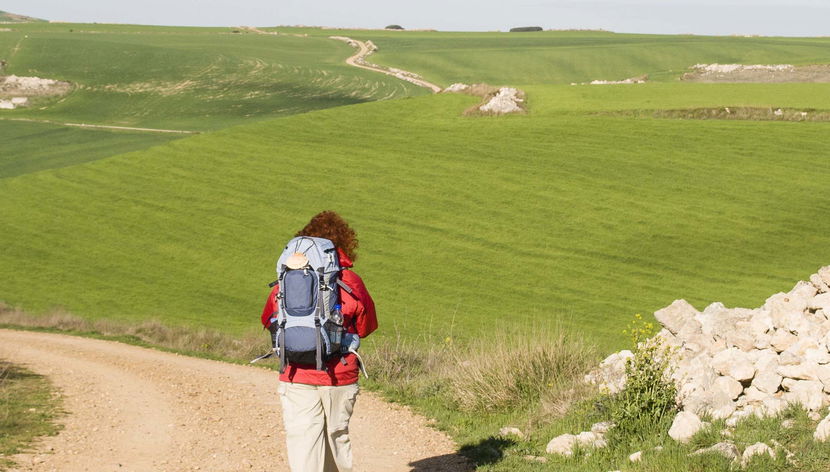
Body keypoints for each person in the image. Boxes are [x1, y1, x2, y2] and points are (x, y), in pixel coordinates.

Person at [261, 210, 378, 472]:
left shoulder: (286, 281)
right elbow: (366, 325)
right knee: (336, 440)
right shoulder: (350, 281)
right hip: (339, 376)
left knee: (303, 444)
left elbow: (268, 319)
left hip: (295, 373)